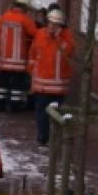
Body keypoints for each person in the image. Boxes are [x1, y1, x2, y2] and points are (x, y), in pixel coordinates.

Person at [28, 9, 75, 145]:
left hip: (58, 86)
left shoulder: (66, 37)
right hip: (41, 84)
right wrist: (31, 71)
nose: (51, 27)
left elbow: (69, 51)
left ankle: (55, 138)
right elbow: (33, 53)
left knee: (56, 114)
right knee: (41, 113)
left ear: (61, 26)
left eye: (55, 24)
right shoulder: (40, 34)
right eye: (50, 23)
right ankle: (43, 137)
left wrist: (58, 37)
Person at [0, 0, 38, 113]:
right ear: (25, 7)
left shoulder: (4, 17)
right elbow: (36, 35)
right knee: (17, 85)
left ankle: (0, 106)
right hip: (19, 60)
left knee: (3, 83)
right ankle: (14, 107)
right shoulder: (26, 20)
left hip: (4, 58)